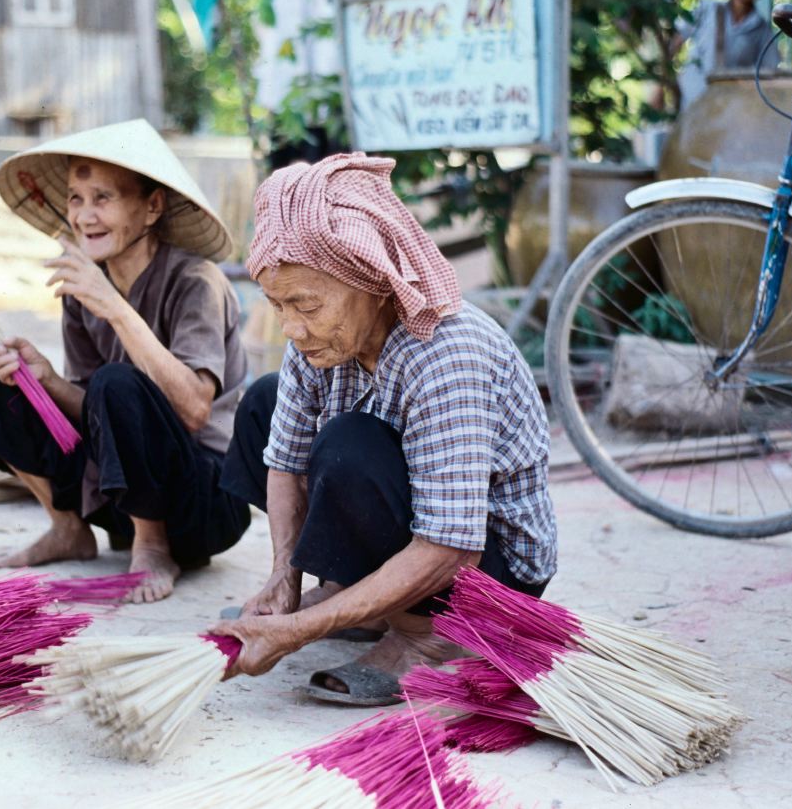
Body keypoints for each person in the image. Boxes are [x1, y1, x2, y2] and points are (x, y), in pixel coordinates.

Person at [212, 153, 558, 705]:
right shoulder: (316, 336)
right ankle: (359, 600)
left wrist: (301, 630)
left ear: (375, 283)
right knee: (262, 404)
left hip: (488, 577)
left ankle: (424, 637)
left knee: (347, 447)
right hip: (419, 530)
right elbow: (285, 461)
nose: (291, 327)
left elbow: (452, 548)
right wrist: (284, 579)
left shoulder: (445, 353)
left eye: (306, 305)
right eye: (278, 304)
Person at [0, 119, 251, 603]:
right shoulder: (84, 289)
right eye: (76, 199)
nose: (84, 216)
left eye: (103, 198)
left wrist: (115, 308)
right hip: (119, 496)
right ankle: (68, 528)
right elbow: (95, 413)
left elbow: (195, 409)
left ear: (152, 207)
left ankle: (153, 545)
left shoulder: (196, 282)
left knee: (117, 380)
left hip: (203, 500)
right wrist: (46, 379)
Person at [674, 0, 778, 110]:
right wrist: (659, 85)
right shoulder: (706, 7)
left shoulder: (762, 30)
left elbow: (768, 73)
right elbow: (675, 41)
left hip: (728, 109)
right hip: (691, 105)